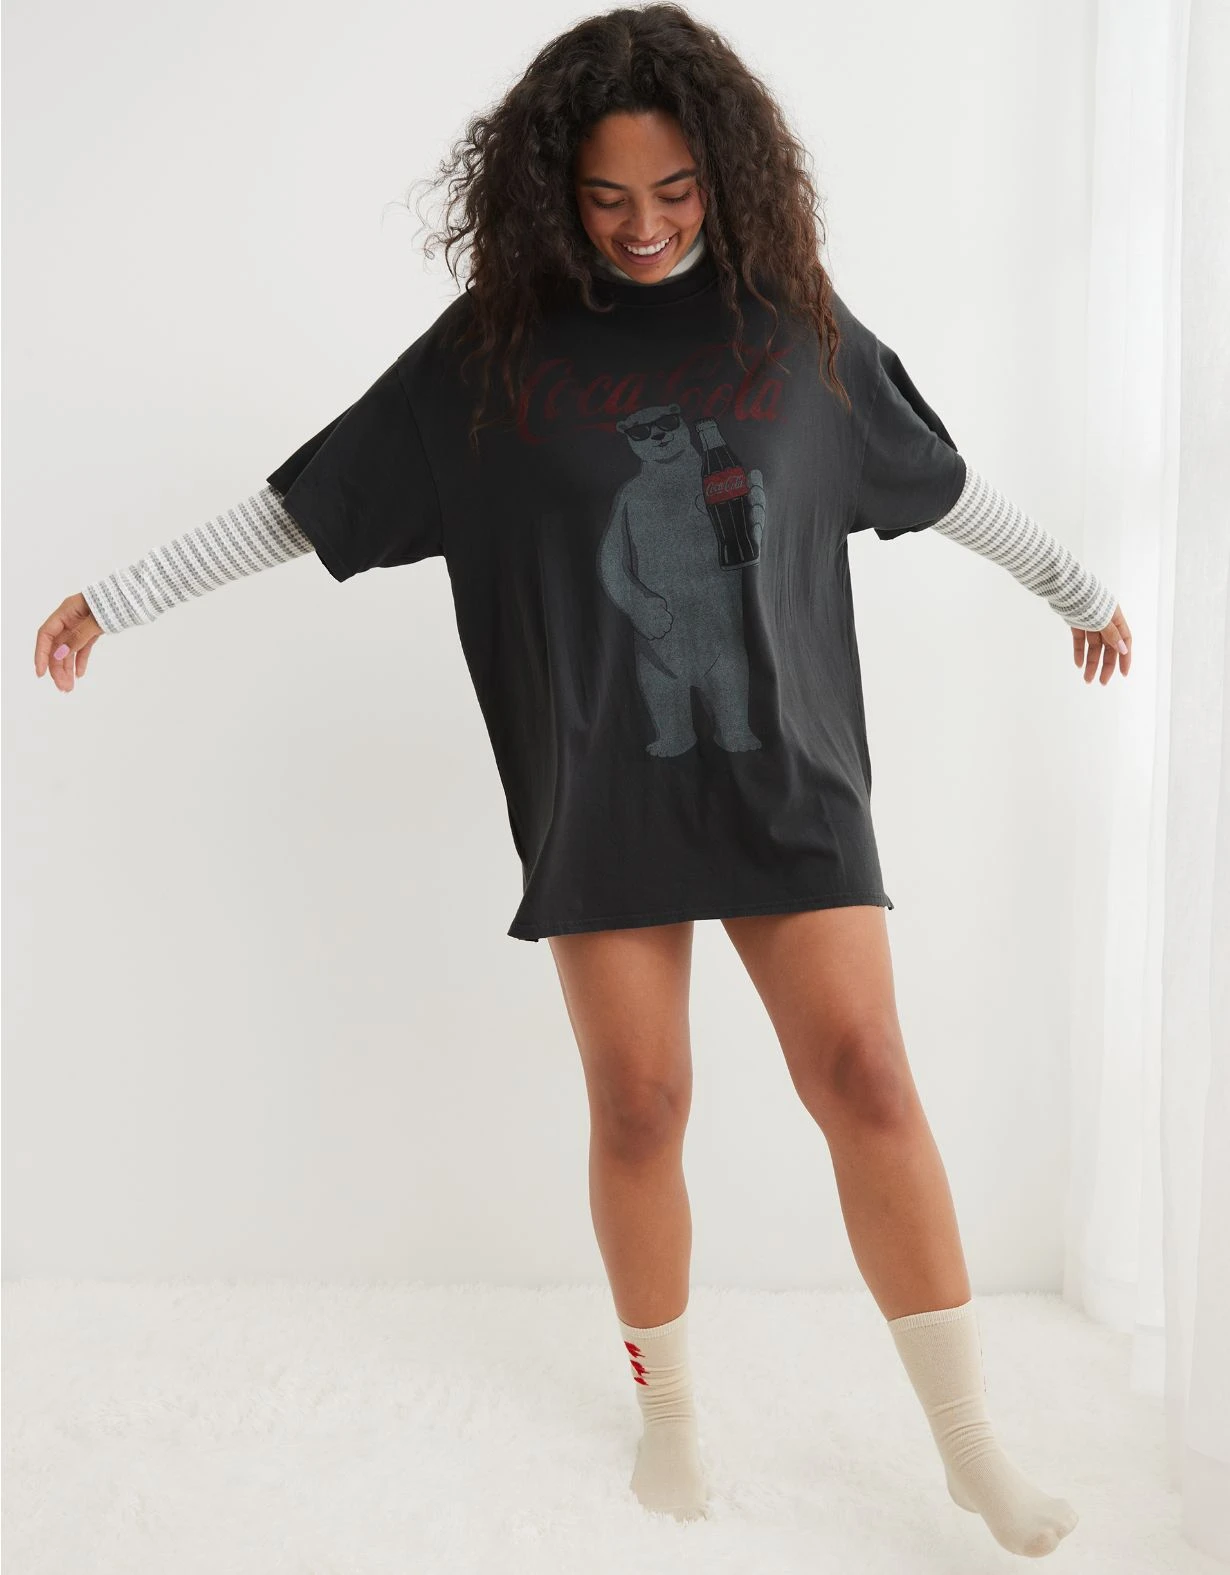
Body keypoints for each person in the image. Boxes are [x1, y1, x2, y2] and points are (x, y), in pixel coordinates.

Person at [34, 3, 1130, 1553]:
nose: (643, 225)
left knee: (867, 1077)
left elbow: (936, 480)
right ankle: (668, 1417)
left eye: (674, 191)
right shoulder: (490, 353)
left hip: (791, 774)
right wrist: (117, 596)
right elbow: (312, 500)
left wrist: (1076, 587)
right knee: (640, 1101)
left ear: (725, 173)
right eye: (607, 197)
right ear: (553, 187)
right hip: (602, 779)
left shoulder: (794, 329)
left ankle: (970, 1448)